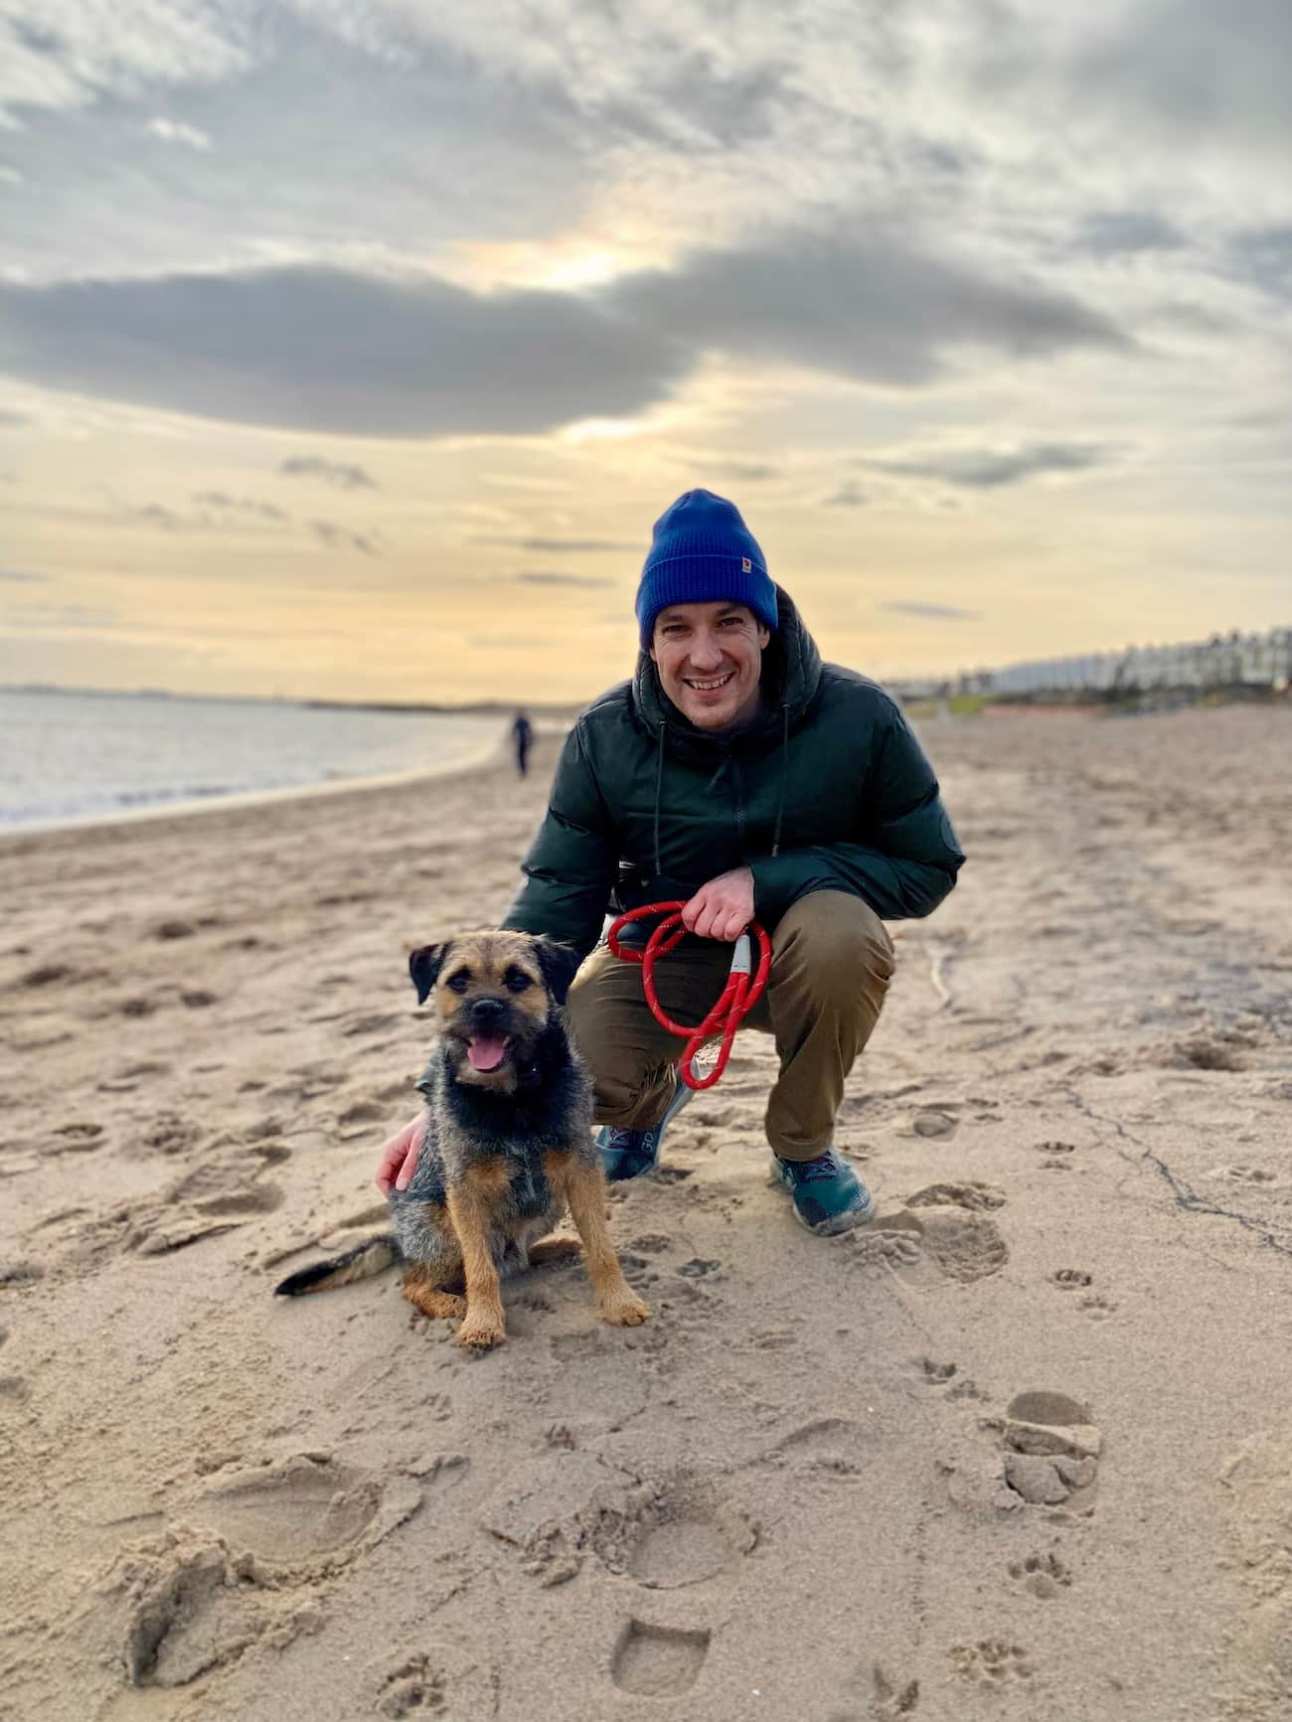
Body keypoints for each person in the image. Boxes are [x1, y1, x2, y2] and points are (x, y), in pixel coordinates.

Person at [378, 490, 964, 1235]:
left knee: (841, 933)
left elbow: (927, 866)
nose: (704, 655)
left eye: (729, 622)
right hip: (670, 965)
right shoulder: (603, 736)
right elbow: (555, 900)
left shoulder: (859, 716)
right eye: (676, 628)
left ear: (765, 627)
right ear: (650, 643)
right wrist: (445, 1101)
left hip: (806, 965)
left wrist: (768, 881)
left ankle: (803, 1149)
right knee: (578, 1063)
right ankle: (648, 1109)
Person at [511, 709, 533, 777]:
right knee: (523, 756)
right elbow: (530, 731)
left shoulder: (519, 721)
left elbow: (513, 731)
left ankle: (523, 771)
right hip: (524, 741)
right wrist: (530, 740)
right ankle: (524, 771)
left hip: (521, 741)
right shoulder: (524, 721)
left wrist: (513, 738)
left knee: (521, 757)